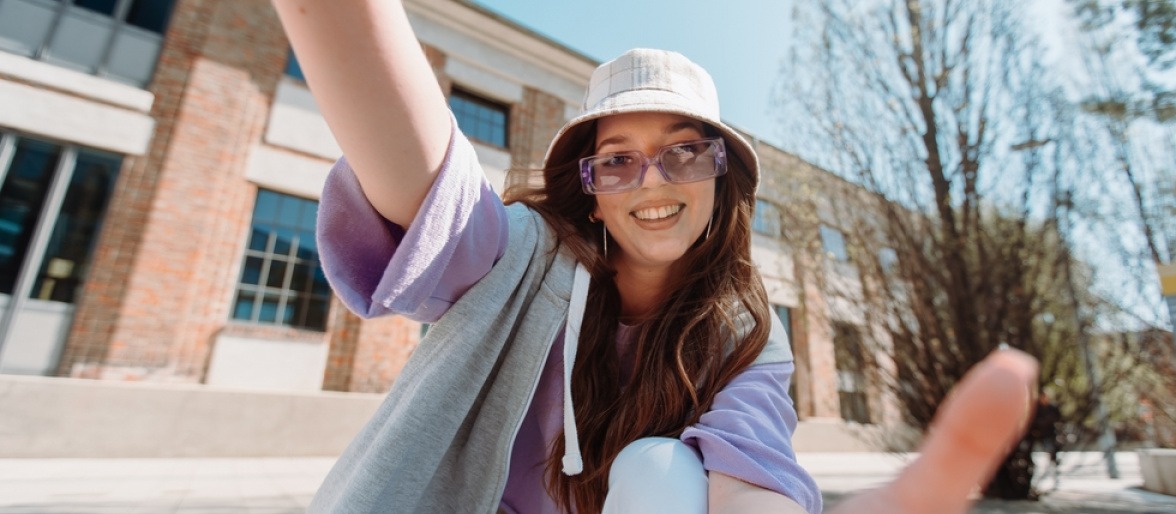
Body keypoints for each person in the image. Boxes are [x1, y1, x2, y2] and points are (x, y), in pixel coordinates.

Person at [272, 2, 1039, 513]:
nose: (651, 183)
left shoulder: (746, 334)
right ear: (592, 190)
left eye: (681, 152)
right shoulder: (518, 260)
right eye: (618, 160)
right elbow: (420, 166)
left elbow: (747, 480)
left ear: (720, 176)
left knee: (659, 468)